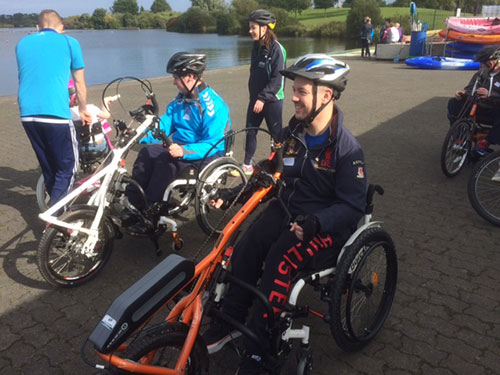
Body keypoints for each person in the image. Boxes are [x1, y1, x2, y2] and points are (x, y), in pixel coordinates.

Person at [203, 54, 367, 374]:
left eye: (301, 91)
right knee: (247, 245)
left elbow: (353, 206)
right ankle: (232, 320)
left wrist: (318, 222)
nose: (292, 96)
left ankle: (260, 350)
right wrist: (231, 194)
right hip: (287, 209)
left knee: (279, 259)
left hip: (321, 226)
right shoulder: (294, 131)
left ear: (326, 95)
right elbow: (270, 170)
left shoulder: (348, 149)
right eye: (294, 89)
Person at [124, 52, 231, 236]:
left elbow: (213, 143)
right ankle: (134, 205)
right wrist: (140, 135)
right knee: (147, 153)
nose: (173, 82)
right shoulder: (181, 99)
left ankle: (151, 214)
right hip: (180, 147)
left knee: (164, 164)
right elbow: (166, 123)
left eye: (176, 78)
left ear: (190, 77)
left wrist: (184, 150)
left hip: (206, 152)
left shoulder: (213, 106)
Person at [16, 9, 91, 209]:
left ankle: (58, 210)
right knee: (68, 167)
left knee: (49, 167)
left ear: (37, 27)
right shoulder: (69, 42)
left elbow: (31, 75)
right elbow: (79, 82)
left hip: (28, 114)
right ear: (61, 27)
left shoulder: (22, 44)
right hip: (55, 114)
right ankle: (55, 217)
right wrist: (83, 109)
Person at [241, 9, 287, 175]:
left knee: (276, 136)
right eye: (250, 27)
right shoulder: (256, 47)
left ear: (264, 28)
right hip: (256, 99)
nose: (250, 31)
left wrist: (263, 98)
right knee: (250, 130)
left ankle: (279, 166)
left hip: (272, 100)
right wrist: (255, 97)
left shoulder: (277, 50)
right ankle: (247, 164)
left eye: (253, 27)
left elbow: (277, 79)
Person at [447, 46, 500, 156]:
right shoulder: (481, 73)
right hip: (478, 107)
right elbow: (470, 88)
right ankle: (459, 137)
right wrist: (462, 93)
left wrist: (490, 95)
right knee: (453, 103)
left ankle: (485, 143)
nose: (481, 66)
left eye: (484, 63)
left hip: (495, 111)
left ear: (494, 62)